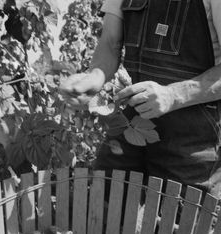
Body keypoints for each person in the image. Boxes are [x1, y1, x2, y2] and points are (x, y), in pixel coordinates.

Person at [60, 0, 221, 198]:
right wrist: (94, 77)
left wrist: (173, 95)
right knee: (105, 205)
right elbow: (111, 42)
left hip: (191, 140)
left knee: (179, 219)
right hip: (129, 125)